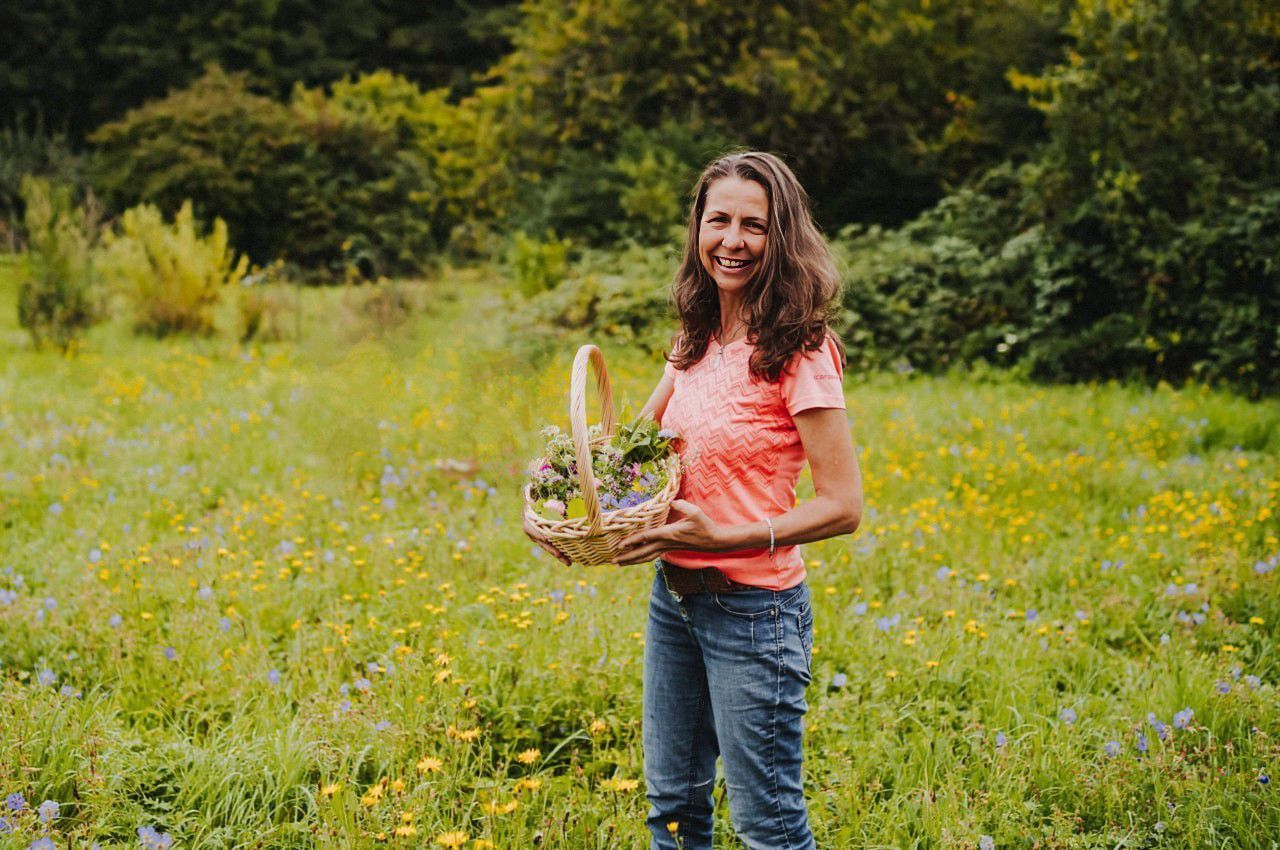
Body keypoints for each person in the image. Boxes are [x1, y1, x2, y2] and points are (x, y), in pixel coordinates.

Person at [525, 150, 862, 850]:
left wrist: (724, 538)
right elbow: (624, 457)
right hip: (674, 601)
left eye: (754, 226)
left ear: (783, 237)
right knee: (673, 808)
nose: (732, 241)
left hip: (754, 612)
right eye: (719, 221)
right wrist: (570, 500)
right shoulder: (696, 335)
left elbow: (842, 505)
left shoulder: (801, 347)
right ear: (698, 229)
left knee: (767, 823)